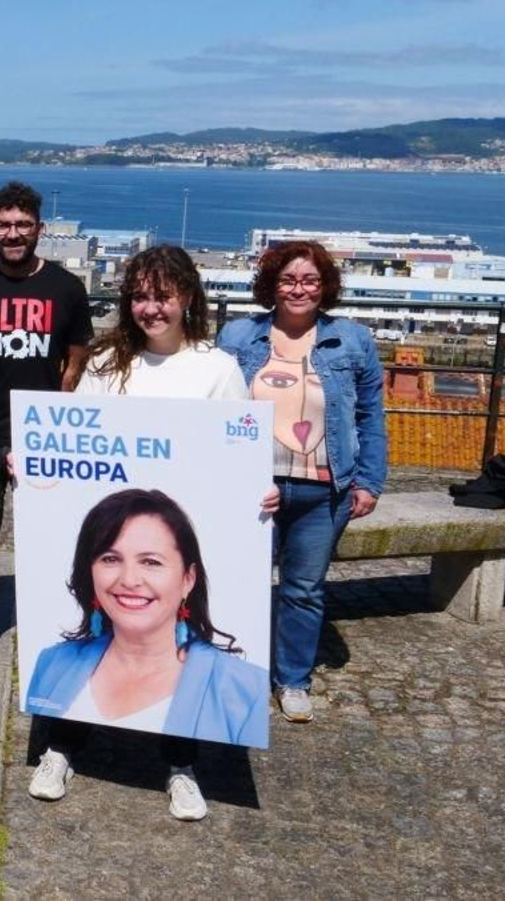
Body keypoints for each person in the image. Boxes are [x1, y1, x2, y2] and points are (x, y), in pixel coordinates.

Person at [29, 246, 278, 821]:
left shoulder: (215, 369)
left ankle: (181, 766)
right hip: (112, 530)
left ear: (187, 296)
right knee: (92, 639)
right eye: (140, 295)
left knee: (179, 649)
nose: (150, 307)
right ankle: (61, 747)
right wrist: (36, 463)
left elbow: (239, 457)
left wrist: (261, 491)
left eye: (162, 295)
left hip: (173, 537)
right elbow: (72, 443)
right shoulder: (105, 363)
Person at [218, 240, 387, 724]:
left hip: (324, 490)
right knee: (238, 583)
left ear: (325, 286)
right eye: (288, 280)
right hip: (253, 487)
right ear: (271, 285)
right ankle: (236, 670)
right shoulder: (237, 336)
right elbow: (216, 408)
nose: (299, 289)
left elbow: (371, 415)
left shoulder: (353, 340)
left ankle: (293, 679)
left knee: (304, 589)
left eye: (309, 280)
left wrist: (370, 481)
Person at [0, 182, 91, 670]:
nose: (13, 234)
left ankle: (56, 622)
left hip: (43, 435)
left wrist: (57, 403)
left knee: (50, 534)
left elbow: (77, 354)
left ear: (39, 230)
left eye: (23, 226)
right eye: (4, 226)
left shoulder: (67, 289)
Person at [24, 492, 270, 759]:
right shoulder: (52, 662)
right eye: (110, 558)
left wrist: (266, 497)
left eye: (151, 562)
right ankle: (59, 750)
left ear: (188, 578)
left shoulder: (243, 688)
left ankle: (181, 767)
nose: (129, 580)